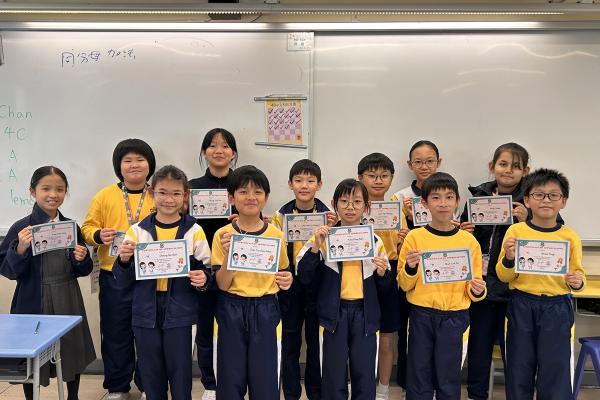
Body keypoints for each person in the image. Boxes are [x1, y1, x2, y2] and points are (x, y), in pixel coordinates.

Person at [114, 165, 212, 400]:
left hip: (182, 310)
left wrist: (204, 279)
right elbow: (123, 280)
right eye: (163, 192)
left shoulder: (194, 231)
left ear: (185, 195)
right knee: (150, 371)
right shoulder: (137, 231)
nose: (169, 199)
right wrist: (124, 260)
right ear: (152, 193)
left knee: (181, 371)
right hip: (145, 310)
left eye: (176, 193)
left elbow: (208, 269)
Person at [0, 166, 96, 400]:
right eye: (46, 189)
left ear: (65, 192)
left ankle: (72, 396)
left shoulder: (71, 226)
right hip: (32, 295)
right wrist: (20, 248)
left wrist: (82, 258)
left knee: (71, 347)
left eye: (60, 189)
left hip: (67, 293)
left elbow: (84, 270)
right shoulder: (21, 227)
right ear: (32, 191)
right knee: (30, 353)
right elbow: (7, 270)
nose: (53, 194)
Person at [297, 179, 392, 400]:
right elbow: (304, 276)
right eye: (344, 201)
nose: (350, 207)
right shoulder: (322, 238)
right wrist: (315, 247)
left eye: (357, 202)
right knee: (333, 373)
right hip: (333, 314)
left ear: (366, 206)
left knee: (365, 372)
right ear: (334, 204)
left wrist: (382, 273)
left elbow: (387, 286)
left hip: (365, 314)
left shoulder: (375, 241)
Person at [496, 168, 585, 400]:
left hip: (556, 308)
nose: (546, 200)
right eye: (539, 194)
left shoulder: (570, 237)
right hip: (521, 305)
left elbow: (578, 275)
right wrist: (509, 258)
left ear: (563, 201)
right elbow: (503, 276)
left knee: (555, 369)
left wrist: (577, 282)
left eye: (553, 195)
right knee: (519, 367)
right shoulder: (516, 231)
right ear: (527, 200)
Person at [398, 172, 486, 400]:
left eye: (449, 197)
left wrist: (478, 290)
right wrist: (410, 267)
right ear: (424, 203)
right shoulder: (414, 238)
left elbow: (475, 286)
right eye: (436, 198)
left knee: (448, 377)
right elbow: (404, 284)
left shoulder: (469, 241)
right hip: (421, 315)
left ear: (457, 201)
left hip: (455, 317)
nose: (443, 203)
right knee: (419, 374)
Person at [82, 138, 156, 399]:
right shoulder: (104, 196)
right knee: (116, 332)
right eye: (127, 160)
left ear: (150, 165)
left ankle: (150, 385)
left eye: (140, 159)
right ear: (118, 166)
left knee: (149, 333)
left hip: (150, 273)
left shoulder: (159, 194)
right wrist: (98, 235)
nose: (134, 165)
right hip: (113, 274)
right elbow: (87, 228)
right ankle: (117, 387)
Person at [211, 165, 292, 400]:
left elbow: (283, 273)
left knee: (265, 381)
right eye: (243, 191)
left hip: (266, 309)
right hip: (231, 308)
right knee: (230, 380)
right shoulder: (222, 235)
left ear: (266, 198)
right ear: (231, 198)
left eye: (257, 192)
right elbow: (222, 284)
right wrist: (230, 255)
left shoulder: (276, 235)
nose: (250, 197)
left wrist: (287, 280)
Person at [458, 142, 531, 400]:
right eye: (503, 164)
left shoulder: (533, 200)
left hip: (515, 290)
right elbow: (463, 240)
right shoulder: (478, 197)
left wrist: (528, 220)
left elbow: (551, 234)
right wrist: (464, 231)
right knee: (479, 348)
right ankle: (476, 395)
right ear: (492, 167)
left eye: (516, 166)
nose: (508, 170)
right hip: (481, 286)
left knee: (517, 351)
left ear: (525, 171)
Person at [271, 159, 336, 400]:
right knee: (290, 342)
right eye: (298, 180)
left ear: (319, 184)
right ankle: (291, 393)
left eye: (310, 181)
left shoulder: (329, 216)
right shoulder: (281, 215)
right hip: (289, 288)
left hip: (319, 288)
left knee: (316, 344)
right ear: (290, 184)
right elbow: (275, 247)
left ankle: (316, 393)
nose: (304, 185)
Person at [187, 128, 238, 400]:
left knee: (233, 327)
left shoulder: (242, 184)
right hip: (202, 268)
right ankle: (209, 383)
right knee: (205, 326)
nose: (219, 150)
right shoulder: (191, 187)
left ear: (233, 153)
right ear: (204, 152)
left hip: (235, 267)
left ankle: (233, 378)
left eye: (225, 145)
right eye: (213, 145)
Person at [357, 153, 408, 400]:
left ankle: (383, 389)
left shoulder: (398, 211)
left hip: (388, 273)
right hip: (359, 274)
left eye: (384, 176)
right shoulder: (352, 209)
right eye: (372, 175)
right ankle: (358, 384)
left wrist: (404, 239)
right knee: (358, 335)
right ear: (360, 178)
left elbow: (404, 250)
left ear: (391, 178)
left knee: (387, 337)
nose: (378, 180)